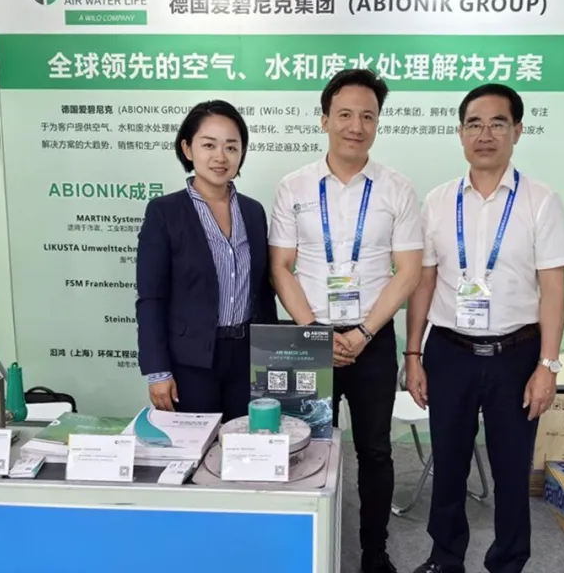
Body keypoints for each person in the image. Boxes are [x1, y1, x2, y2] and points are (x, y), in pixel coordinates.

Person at [405, 84, 564, 573]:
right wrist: (412, 355)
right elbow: (424, 283)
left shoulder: (541, 201)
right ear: (460, 133)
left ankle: (508, 562)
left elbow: (554, 291)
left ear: (517, 131)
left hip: (516, 355)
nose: (485, 134)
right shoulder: (438, 201)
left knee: (511, 470)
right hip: (449, 351)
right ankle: (445, 557)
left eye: (497, 123)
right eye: (474, 124)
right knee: (448, 463)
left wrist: (548, 365)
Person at [269, 69, 423, 573]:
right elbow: (280, 266)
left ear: (377, 123)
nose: (356, 126)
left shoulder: (397, 189)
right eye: (345, 115)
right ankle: (308, 545)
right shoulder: (293, 186)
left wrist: (363, 333)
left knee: (375, 451)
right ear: (325, 120)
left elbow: (408, 271)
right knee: (304, 444)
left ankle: (374, 551)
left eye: (367, 116)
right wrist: (315, 334)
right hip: (306, 336)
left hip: (371, 338)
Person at [135, 99, 278, 422]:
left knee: (245, 441)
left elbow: (263, 291)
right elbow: (151, 298)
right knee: (197, 445)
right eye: (209, 145)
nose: (220, 157)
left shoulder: (253, 211)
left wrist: (270, 356)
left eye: (231, 147)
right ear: (188, 149)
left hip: (247, 357)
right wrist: (158, 371)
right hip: (191, 361)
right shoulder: (165, 212)